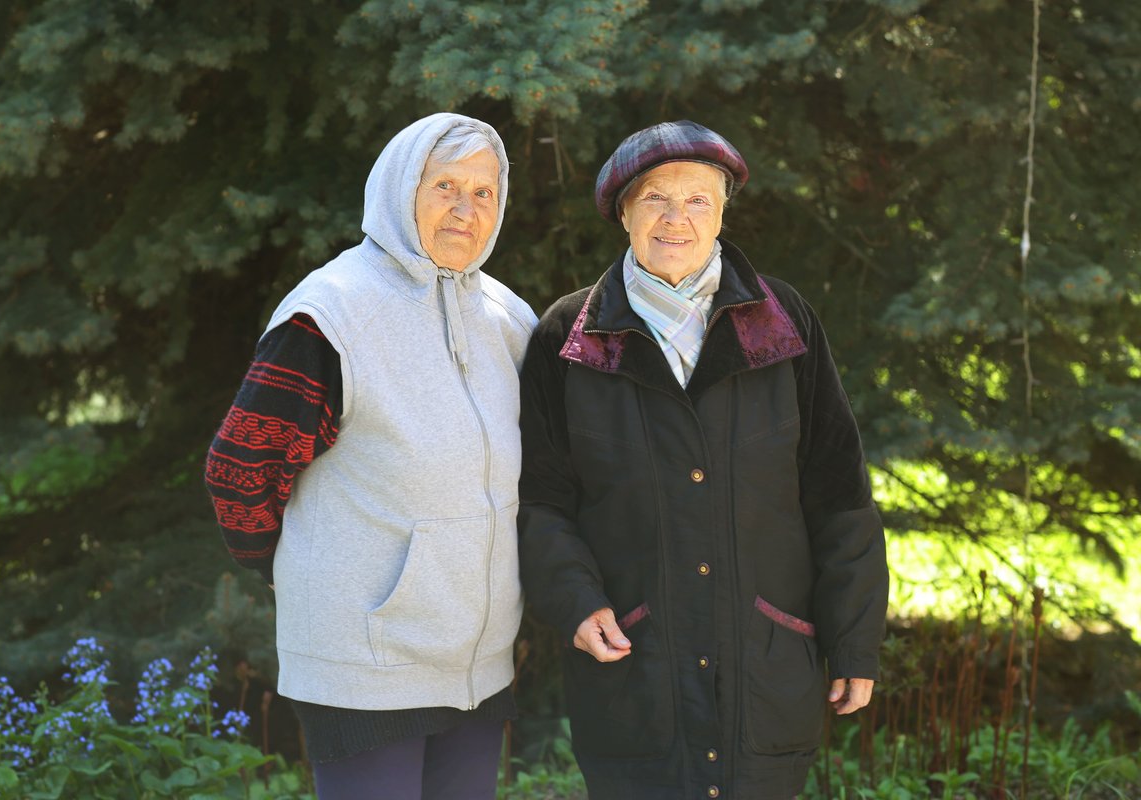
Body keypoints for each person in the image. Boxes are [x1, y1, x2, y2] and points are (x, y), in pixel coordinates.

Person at [517, 120, 888, 799]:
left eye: (697, 200)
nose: (676, 218)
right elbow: (541, 500)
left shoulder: (783, 319)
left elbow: (839, 493)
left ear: (721, 212)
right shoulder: (566, 337)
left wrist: (854, 640)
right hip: (634, 671)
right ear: (623, 213)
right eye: (656, 198)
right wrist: (575, 600)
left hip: (764, 668)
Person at [205, 113, 537, 800]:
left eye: (484, 191)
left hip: (479, 663)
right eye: (445, 186)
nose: (466, 208)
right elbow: (239, 472)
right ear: (398, 188)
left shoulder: (507, 320)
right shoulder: (332, 315)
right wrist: (293, 571)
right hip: (364, 664)